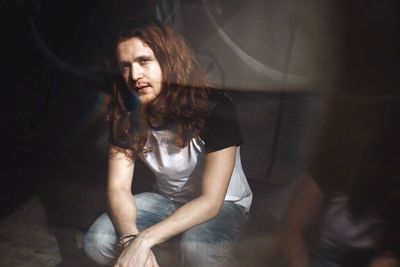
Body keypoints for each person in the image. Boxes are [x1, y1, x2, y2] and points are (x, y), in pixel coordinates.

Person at [83, 19, 252, 267]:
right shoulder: (126, 114)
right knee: (97, 243)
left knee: (197, 250)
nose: (135, 75)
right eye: (125, 66)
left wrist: (144, 241)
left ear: (168, 61)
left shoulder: (214, 108)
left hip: (224, 204)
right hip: (168, 200)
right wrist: (131, 238)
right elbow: (118, 187)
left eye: (144, 61)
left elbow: (211, 201)